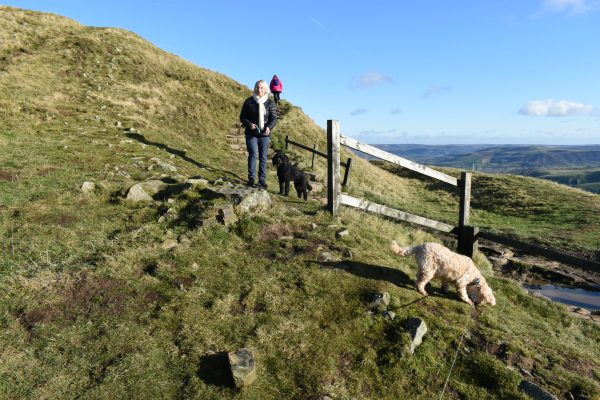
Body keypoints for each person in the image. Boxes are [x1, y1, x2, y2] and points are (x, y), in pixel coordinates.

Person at [239, 80, 277, 189]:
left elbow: (273, 118)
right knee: (253, 154)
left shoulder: (270, 103)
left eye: (261, 88)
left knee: (263, 156)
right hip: (251, 133)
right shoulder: (249, 101)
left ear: (266, 89)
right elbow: (242, 117)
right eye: (257, 87)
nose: (259, 89)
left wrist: (269, 127)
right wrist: (249, 124)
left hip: (265, 134)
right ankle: (251, 178)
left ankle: (262, 180)